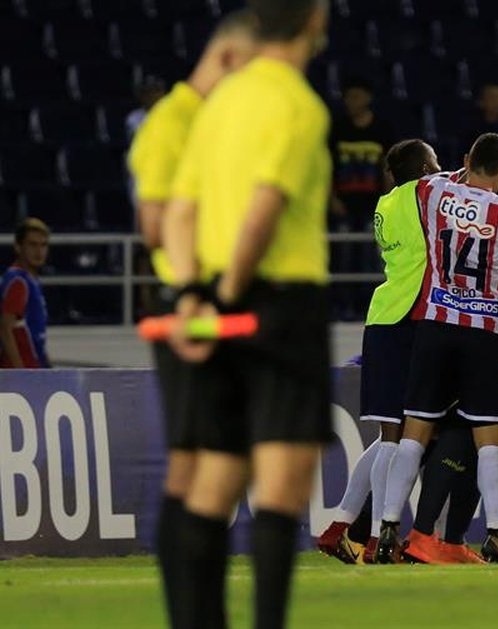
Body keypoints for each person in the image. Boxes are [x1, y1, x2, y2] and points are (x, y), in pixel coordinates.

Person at [163, 1, 332, 627]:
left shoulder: (221, 103)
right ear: (313, 22)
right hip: (280, 305)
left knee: (212, 482)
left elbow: (180, 214)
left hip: (209, 297)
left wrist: (194, 300)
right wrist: (233, 294)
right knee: (281, 490)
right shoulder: (298, 104)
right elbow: (264, 210)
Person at [125, 11, 257, 623]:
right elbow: (156, 219)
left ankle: (196, 601)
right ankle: (188, 603)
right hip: (192, 302)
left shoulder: (206, 124)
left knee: (214, 460)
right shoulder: (169, 124)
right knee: (199, 460)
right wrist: (194, 293)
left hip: (212, 297)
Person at [375, 134, 498, 564]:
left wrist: (467, 167)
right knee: (489, 439)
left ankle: (388, 530)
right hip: (481, 334)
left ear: (468, 159)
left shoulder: (433, 192)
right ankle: (497, 534)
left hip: (435, 327)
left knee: (414, 432)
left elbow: (442, 179)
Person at [316, 139, 443, 564]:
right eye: (435, 163)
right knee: (397, 437)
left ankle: (340, 526)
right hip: (406, 318)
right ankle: (375, 541)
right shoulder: (426, 192)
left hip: (385, 317)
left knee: (393, 436)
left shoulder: (386, 204)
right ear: (425, 168)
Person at [330, 76, 396, 318]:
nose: (352, 102)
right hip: (343, 202)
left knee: (371, 256)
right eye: (348, 97)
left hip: (372, 202)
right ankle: (342, 304)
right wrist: (331, 198)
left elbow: (389, 167)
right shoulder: (337, 128)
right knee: (344, 255)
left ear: (368, 98)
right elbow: (326, 165)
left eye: (357, 96)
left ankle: (367, 306)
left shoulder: (382, 128)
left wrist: (387, 199)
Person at [1, 218, 50, 369]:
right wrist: (20, 373)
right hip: (21, 375)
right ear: (18, 247)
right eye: (32, 245)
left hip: (33, 368)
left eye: (43, 245)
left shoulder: (30, 280)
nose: (39, 251)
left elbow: (36, 338)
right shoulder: (18, 282)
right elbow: (4, 328)